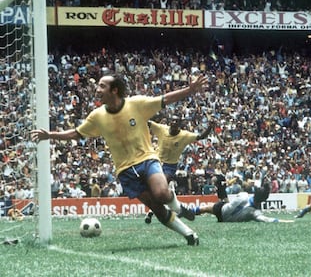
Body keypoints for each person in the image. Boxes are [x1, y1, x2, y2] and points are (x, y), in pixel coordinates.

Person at [31, 73, 209, 246]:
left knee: (162, 193)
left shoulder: (137, 104)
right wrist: (50, 135)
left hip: (147, 160)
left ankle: (180, 208)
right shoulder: (97, 116)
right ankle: (189, 234)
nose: (97, 89)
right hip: (124, 170)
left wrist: (190, 90)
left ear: (114, 90)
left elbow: (165, 99)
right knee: (157, 208)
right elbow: (76, 133)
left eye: (102, 86)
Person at [144, 116, 214, 224]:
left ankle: (155, 212)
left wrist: (210, 127)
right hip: (156, 163)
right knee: (157, 191)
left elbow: (201, 136)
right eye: (172, 121)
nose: (173, 123)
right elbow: (148, 122)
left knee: (161, 186)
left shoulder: (184, 135)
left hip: (170, 166)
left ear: (179, 125)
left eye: (176, 122)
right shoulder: (162, 129)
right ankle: (176, 209)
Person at [192, 183, 294, 223]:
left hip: (222, 210)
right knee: (207, 208)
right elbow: (267, 220)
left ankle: (187, 211)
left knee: (205, 208)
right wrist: (285, 221)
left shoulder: (243, 195)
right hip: (227, 220)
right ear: (264, 200)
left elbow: (233, 202)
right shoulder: (255, 213)